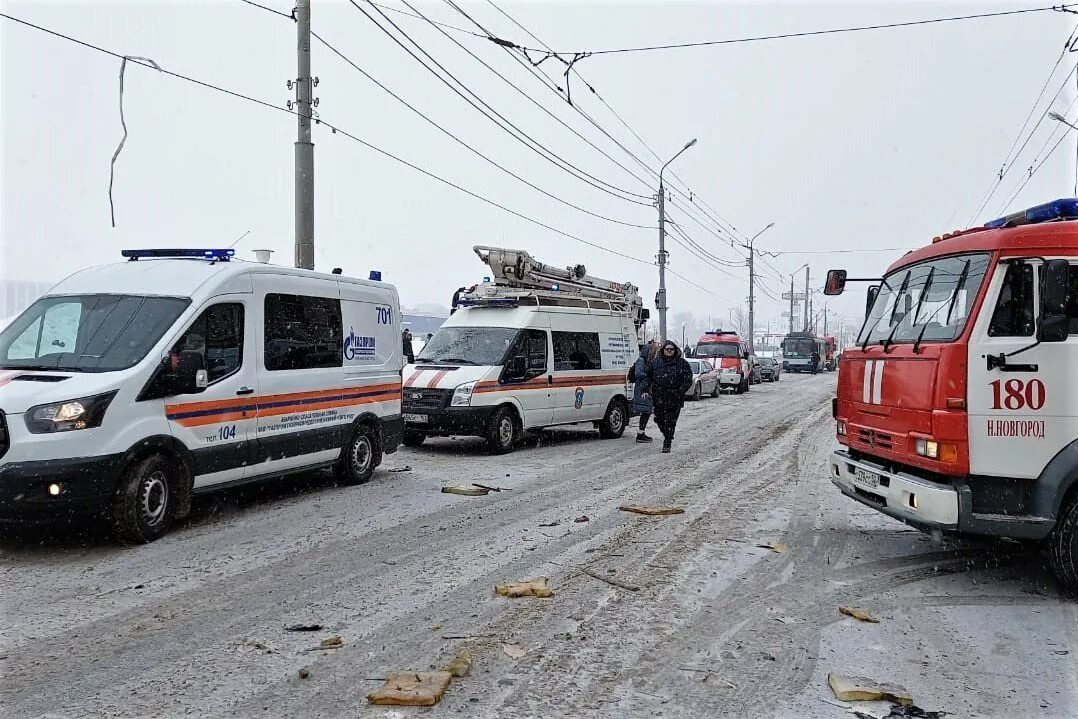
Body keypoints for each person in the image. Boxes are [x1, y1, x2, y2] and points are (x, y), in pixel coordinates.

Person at [643, 340, 693, 453]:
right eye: (667, 349)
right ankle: (667, 433)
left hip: (675, 397)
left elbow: (688, 379)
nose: (669, 351)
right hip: (659, 396)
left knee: (671, 421)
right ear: (663, 350)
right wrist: (645, 389)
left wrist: (680, 391)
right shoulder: (656, 363)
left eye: (671, 349)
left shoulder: (682, 363)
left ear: (675, 350)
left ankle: (667, 442)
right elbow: (648, 377)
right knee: (658, 418)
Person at [632, 340, 658, 443]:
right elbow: (638, 374)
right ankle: (640, 434)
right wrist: (649, 375)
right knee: (645, 411)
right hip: (641, 389)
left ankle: (641, 433)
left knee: (646, 411)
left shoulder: (647, 361)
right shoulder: (641, 361)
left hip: (645, 389)